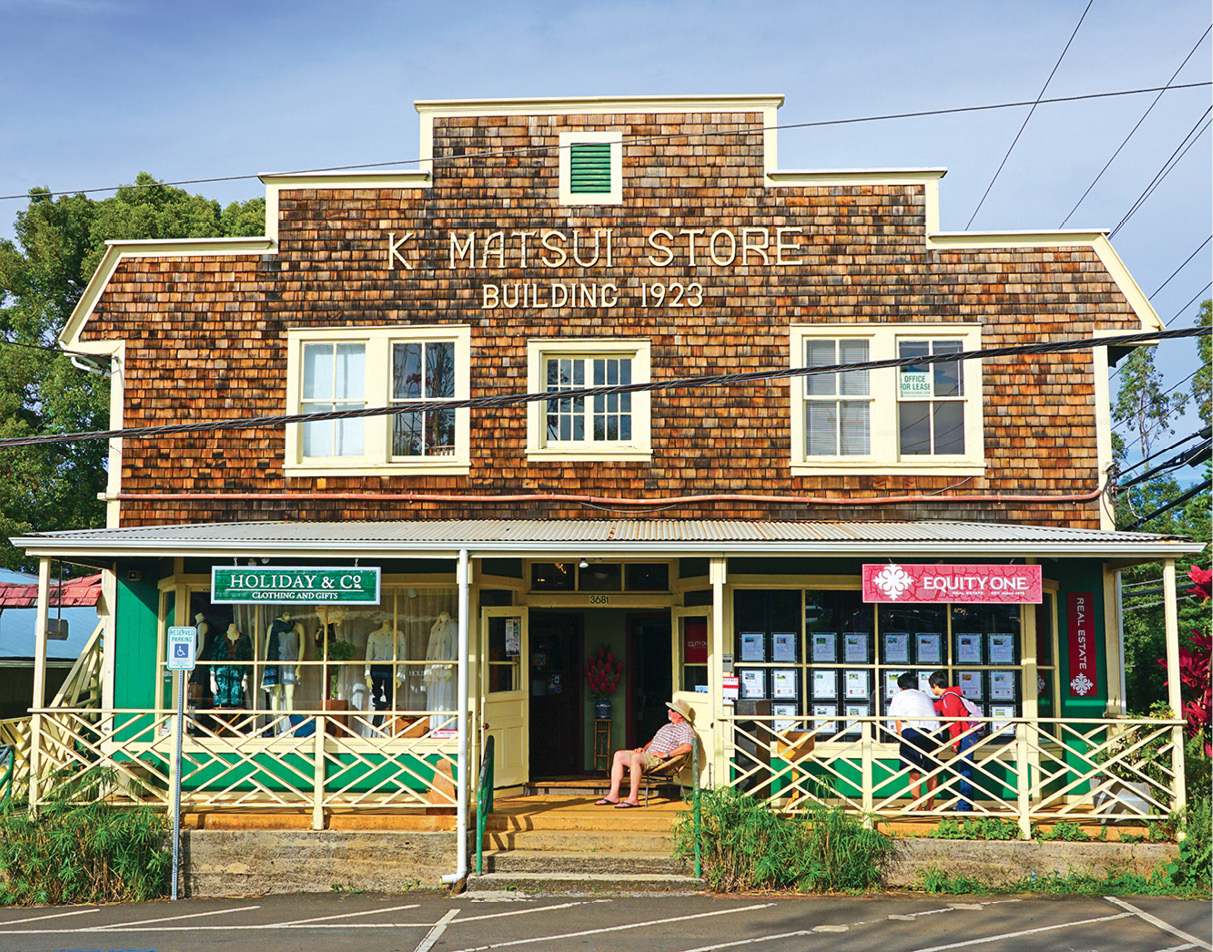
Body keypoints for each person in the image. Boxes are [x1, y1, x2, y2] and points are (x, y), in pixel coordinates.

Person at [596, 699, 695, 809]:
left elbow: (687, 747)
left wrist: (665, 754)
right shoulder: (667, 726)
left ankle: (633, 798)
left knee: (635, 758)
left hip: (661, 760)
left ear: (679, 715)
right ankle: (613, 795)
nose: (668, 711)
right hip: (649, 756)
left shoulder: (685, 729)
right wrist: (643, 749)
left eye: (671, 710)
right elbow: (654, 741)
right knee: (619, 755)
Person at [886, 672, 941, 810]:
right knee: (931, 770)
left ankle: (917, 806)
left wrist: (901, 738)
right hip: (934, 732)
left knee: (914, 770)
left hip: (912, 731)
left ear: (901, 687)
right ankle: (931, 806)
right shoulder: (925, 696)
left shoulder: (899, 696)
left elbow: (898, 720)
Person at [929, 669, 977, 812]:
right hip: (966, 735)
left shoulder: (949, 698)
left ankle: (965, 806)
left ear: (935, 685)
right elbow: (936, 707)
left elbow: (955, 723)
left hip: (965, 736)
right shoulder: (948, 697)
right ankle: (965, 804)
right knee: (964, 769)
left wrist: (955, 742)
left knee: (964, 770)